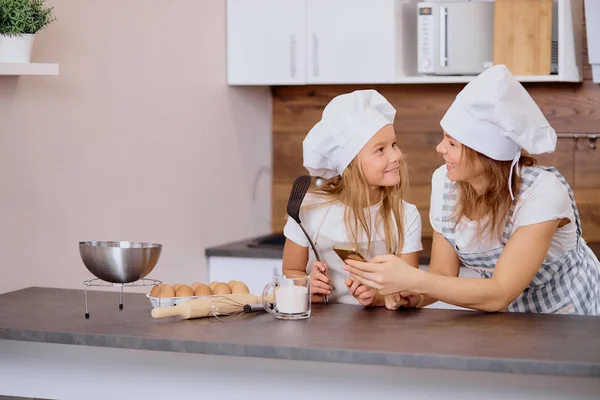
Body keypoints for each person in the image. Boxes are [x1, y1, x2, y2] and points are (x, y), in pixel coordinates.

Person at [343, 65, 600, 315]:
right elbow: (442, 276)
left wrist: (413, 278)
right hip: (509, 327)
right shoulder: (445, 182)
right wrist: (413, 295)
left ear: (484, 153)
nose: (440, 148)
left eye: (452, 143)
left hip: (571, 320)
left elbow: (500, 292)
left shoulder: (542, 192)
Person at [282, 89, 423, 306]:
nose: (396, 156)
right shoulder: (307, 209)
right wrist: (307, 285)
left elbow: (411, 292)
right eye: (380, 150)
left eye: (394, 144)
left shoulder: (406, 215)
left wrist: (378, 297)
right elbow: (291, 272)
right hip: (321, 329)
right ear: (350, 164)